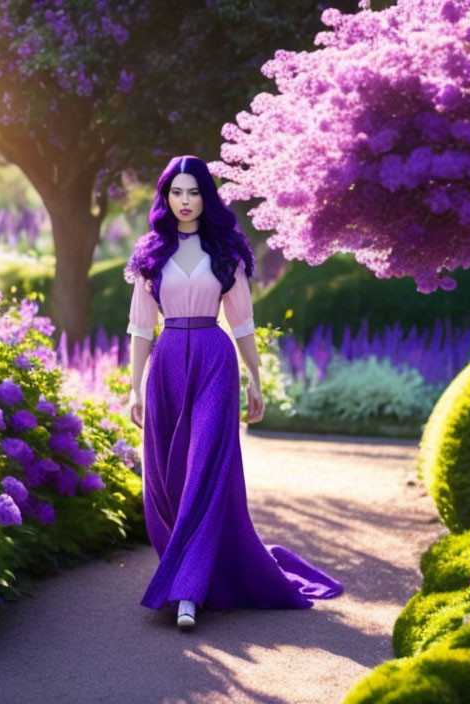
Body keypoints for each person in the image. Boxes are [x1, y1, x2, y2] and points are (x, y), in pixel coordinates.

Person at [124, 155, 343, 631]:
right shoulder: (149, 254)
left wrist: (255, 378)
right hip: (165, 367)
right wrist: (134, 387)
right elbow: (141, 328)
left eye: (194, 192)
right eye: (176, 192)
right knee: (167, 476)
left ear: (207, 196)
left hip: (214, 360)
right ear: (166, 197)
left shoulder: (225, 251)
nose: (185, 201)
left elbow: (242, 322)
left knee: (206, 467)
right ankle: (188, 567)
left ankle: (187, 593)